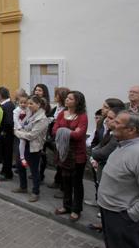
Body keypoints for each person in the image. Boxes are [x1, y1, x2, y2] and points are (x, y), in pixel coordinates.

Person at [98, 112, 139, 248]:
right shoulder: (122, 145)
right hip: (110, 212)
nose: (112, 123)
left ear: (131, 130)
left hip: (123, 217)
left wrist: (130, 217)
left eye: (117, 122)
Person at [53, 90, 88, 222]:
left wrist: (63, 131)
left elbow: (79, 135)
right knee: (65, 181)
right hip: (64, 153)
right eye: (67, 98)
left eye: (70, 99)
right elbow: (54, 130)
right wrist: (70, 131)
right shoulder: (62, 113)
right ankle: (66, 206)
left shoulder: (82, 116)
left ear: (77, 102)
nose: (67, 100)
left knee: (76, 183)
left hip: (77, 155)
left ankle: (76, 209)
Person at [12, 95, 50, 202]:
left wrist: (17, 133)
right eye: (28, 103)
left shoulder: (42, 119)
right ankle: (23, 187)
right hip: (24, 143)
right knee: (20, 165)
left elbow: (32, 135)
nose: (29, 106)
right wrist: (21, 129)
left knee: (34, 170)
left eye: (31, 104)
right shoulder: (30, 114)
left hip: (34, 146)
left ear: (38, 104)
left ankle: (35, 192)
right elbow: (24, 126)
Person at [0, 87, 15, 180]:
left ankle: (8, 174)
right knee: (4, 154)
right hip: (6, 133)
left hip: (7, 134)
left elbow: (8, 121)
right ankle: (4, 169)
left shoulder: (7, 106)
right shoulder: (6, 104)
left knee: (7, 154)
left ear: (0, 95)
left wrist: (3, 131)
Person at [13, 92, 30, 167]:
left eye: (25, 103)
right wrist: (19, 127)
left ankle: (27, 158)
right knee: (22, 141)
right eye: (21, 103)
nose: (23, 104)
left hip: (26, 128)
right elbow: (15, 120)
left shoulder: (28, 110)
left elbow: (29, 118)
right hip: (18, 128)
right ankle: (22, 157)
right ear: (18, 103)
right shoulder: (16, 110)